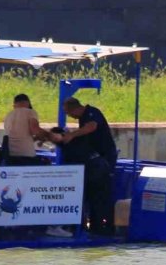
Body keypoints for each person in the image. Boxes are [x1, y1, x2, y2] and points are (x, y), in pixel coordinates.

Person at [50, 97, 117, 235]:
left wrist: (72, 135)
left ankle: (104, 227)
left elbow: (92, 126)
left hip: (104, 159)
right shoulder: (82, 120)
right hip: (93, 162)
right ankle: (93, 226)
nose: (69, 116)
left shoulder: (92, 113)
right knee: (92, 196)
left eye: (68, 113)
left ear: (74, 108)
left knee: (101, 195)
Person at [3, 94, 45, 166]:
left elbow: (20, 135)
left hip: (10, 155)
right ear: (28, 103)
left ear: (15, 104)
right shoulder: (31, 112)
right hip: (26, 155)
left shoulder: (8, 115)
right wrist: (47, 135)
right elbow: (34, 130)